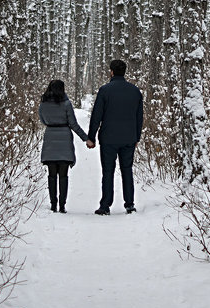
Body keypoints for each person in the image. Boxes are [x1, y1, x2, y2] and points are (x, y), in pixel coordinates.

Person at [86, 59, 143, 215]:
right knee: (127, 170)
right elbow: (139, 117)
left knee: (108, 171)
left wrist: (91, 137)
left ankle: (105, 205)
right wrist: (136, 136)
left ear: (111, 71)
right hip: (129, 138)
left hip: (108, 138)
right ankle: (129, 204)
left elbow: (96, 116)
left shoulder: (105, 90)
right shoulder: (135, 91)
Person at [39, 79, 89, 213]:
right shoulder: (66, 104)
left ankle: (53, 204)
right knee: (63, 175)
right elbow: (73, 124)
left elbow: (43, 120)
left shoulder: (43, 104)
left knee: (51, 175)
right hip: (65, 138)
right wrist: (86, 139)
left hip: (50, 138)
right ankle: (62, 205)